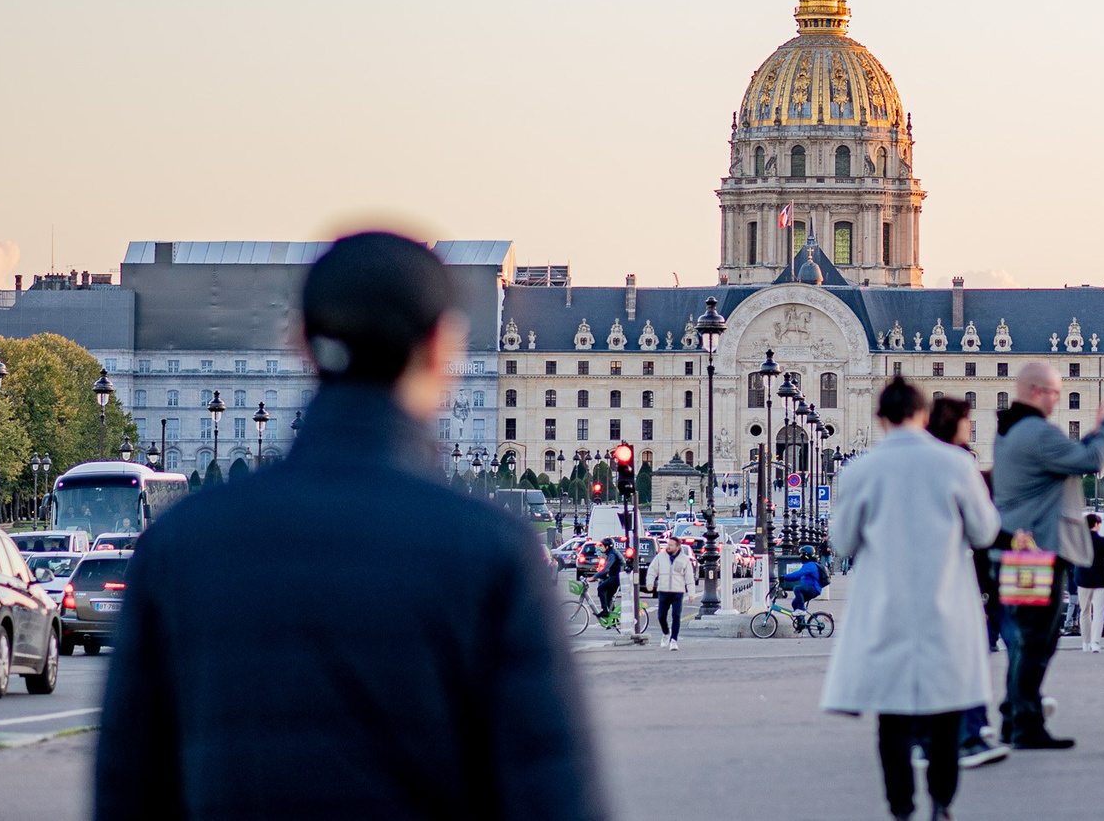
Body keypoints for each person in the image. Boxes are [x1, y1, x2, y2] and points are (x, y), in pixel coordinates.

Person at [94, 232, 603, 821]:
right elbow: (550, 796)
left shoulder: (178, 547)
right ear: (441, 350)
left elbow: (129, 790)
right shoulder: (493, 552)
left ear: (301, 344)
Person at [823, 377, 1003, 821]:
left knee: (894, 719)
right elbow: (985, 532)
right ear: (924, 415)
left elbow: (842, 542)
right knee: (945, 712)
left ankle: (901, 809)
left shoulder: (859, 470)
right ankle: (941, 804)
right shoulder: (956, 465)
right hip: (947, 599)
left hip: (884, 604)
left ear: (879, 419)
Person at [991, 361, 1104, 747]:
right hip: (1038, 551)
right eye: (1054, 392)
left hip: (1023, 548)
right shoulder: (1034, 432)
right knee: (1037, 638)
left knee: (1031, 638)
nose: (1058, 399)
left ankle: (1014, 715)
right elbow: (1091, 462)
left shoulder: (1013, 430)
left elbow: (1072, 455)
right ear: (1036, 391)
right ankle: (1024, 723)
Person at [926, 395, 1008, 771]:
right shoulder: (960, 464)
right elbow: (983, 529)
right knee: (967, 656)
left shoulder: (908, 463)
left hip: (916, 579)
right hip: (958, 573)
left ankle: (921, 738)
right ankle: (971, 734)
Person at [644, 534, 696, 647]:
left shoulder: (684, 559)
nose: (668, 546)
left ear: (677, 547)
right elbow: (652, 570)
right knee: (661, 616)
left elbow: (689, 577)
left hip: (678, 592)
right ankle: (666, 633)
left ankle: (674, 640)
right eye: (668, 544)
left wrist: (691, 593)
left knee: (676, 616)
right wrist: (650, 583)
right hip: (663, 590)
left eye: (671, 545)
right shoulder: (660, 557)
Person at [1075, 514, 1104, 653]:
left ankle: (1085, 642)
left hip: (1083, 579)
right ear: (1097, 524)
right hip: (1100, 580)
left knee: (1084, 612)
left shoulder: (1079, 541)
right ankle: (1095, 642)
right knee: (1098, 612)